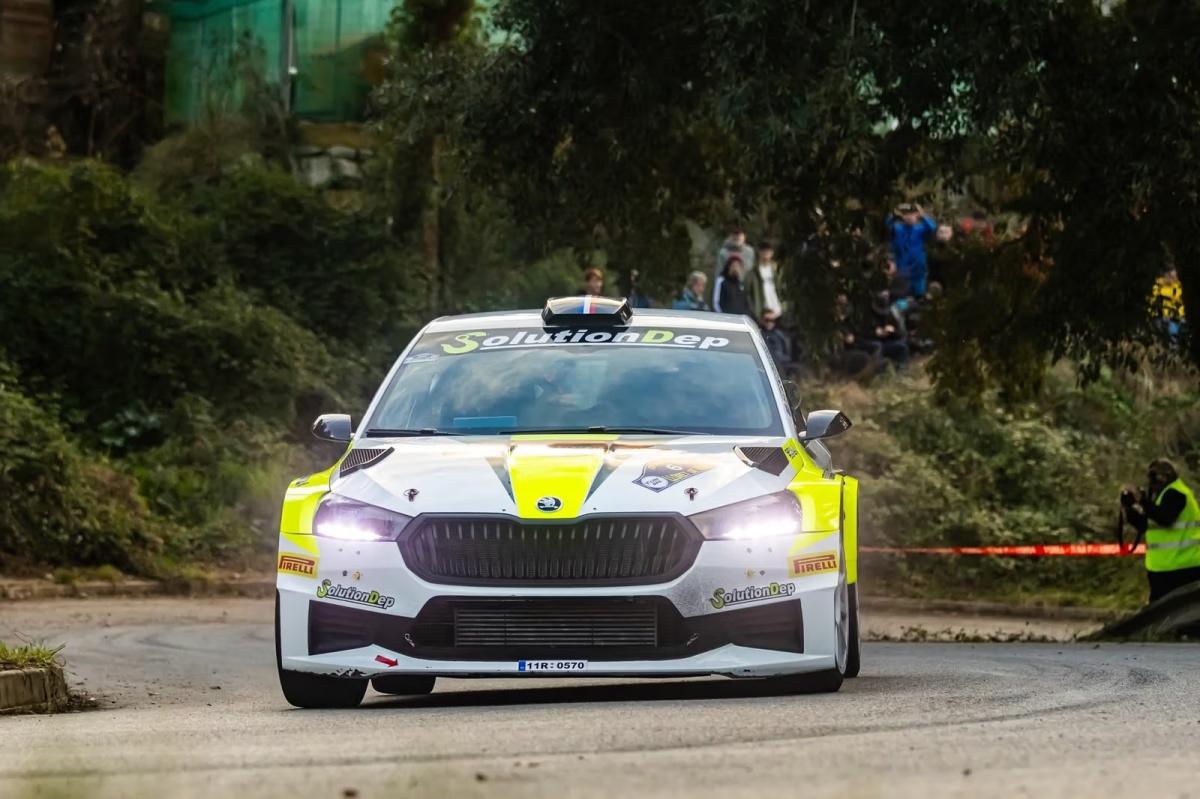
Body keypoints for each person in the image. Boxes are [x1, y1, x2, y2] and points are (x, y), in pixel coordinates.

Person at [1120, 459, 1200, 603]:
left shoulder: (1176, 493)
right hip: (1164, 568)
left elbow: (1165, 518)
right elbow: (1144, 526)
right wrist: (1129, 508)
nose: (1151, 482)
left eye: (1153, 477)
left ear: (1164, 476)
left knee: (1174, 614)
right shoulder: (1162, 497)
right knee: (1164, 615)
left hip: (1182, 567)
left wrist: (1143, 501)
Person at [886, 203, 937, 297]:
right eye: (906, 214)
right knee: (901, 295)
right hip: (902, 269)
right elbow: (888, 223)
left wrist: (923, 215)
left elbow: (932, 227)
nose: (909, 217)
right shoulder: (898, 228)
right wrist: (894, 213)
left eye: (912, 214)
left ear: (916, 215)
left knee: (919, 296)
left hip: (918, 269)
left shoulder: (920, 229)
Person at [713, 221, 755, 312]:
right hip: (729, 287)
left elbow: (751, 270)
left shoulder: (749, 252)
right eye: (735, 234)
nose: (737, 237)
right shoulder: (723, 252)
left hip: (746, 287)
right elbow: (719, 273)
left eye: (739, 234)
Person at [753, 241, 784, 318]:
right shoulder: (752, 272)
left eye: (768, 251)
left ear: (772, 253)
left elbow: (782, 291)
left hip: (777, 312)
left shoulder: (777, 271)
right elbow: (747, 294)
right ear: (759, 253)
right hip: (760, 313)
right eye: (763, 251)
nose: (765, 254)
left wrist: (782, 308)